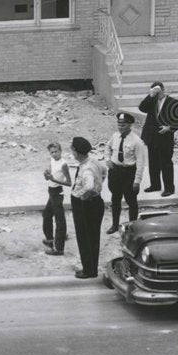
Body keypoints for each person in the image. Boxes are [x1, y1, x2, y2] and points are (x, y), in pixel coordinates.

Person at [69, 136, 107, 279]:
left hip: (85, 205)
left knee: (84, 238)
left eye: (72, 149)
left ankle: (88, 270)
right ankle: (91, 268)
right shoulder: (93, 161)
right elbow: (104, 171)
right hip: (96, 202)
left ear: (76, 152)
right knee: (93, 237)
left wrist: (82, 195)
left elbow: (89, 185)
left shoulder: (86, 169)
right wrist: (100, 184)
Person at [138, 82, 178, 197]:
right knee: (153, 162)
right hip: (152, 136)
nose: (157, 94)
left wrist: (169, 128)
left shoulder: (173, 102)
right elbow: (142, 108)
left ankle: (169, 188)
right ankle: (155, 185)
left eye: (158, 91)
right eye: (154, 91)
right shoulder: (151, 100)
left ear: (163, 90)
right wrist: (150, 95)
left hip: (165, 137)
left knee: (166, 162)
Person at [105, 112, 147, 234]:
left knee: (131, 201)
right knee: (115, 199)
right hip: (115, 172)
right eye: (119, 124)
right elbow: (107, 147)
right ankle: (114, 225)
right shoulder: (115, 136)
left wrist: (137, 181)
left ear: (129, 125)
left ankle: (133, 227)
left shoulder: (137, 141)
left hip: (128, 173)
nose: (120, 127)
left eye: (123, 125)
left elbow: (140, 162)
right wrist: (108, 160)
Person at [42, 142, 71, 256]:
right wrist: (46, 174)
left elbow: (69, 183)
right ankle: (50, 238)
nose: (54, 154)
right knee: (47, 214)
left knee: (59, 220)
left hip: (58, 192)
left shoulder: (64, 164)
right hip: (51, 191)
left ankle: (59, 248)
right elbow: (47, 178)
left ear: (60, 151)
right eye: (52, 152)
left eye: (56, 151)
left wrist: (54, 180)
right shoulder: (52, 161)